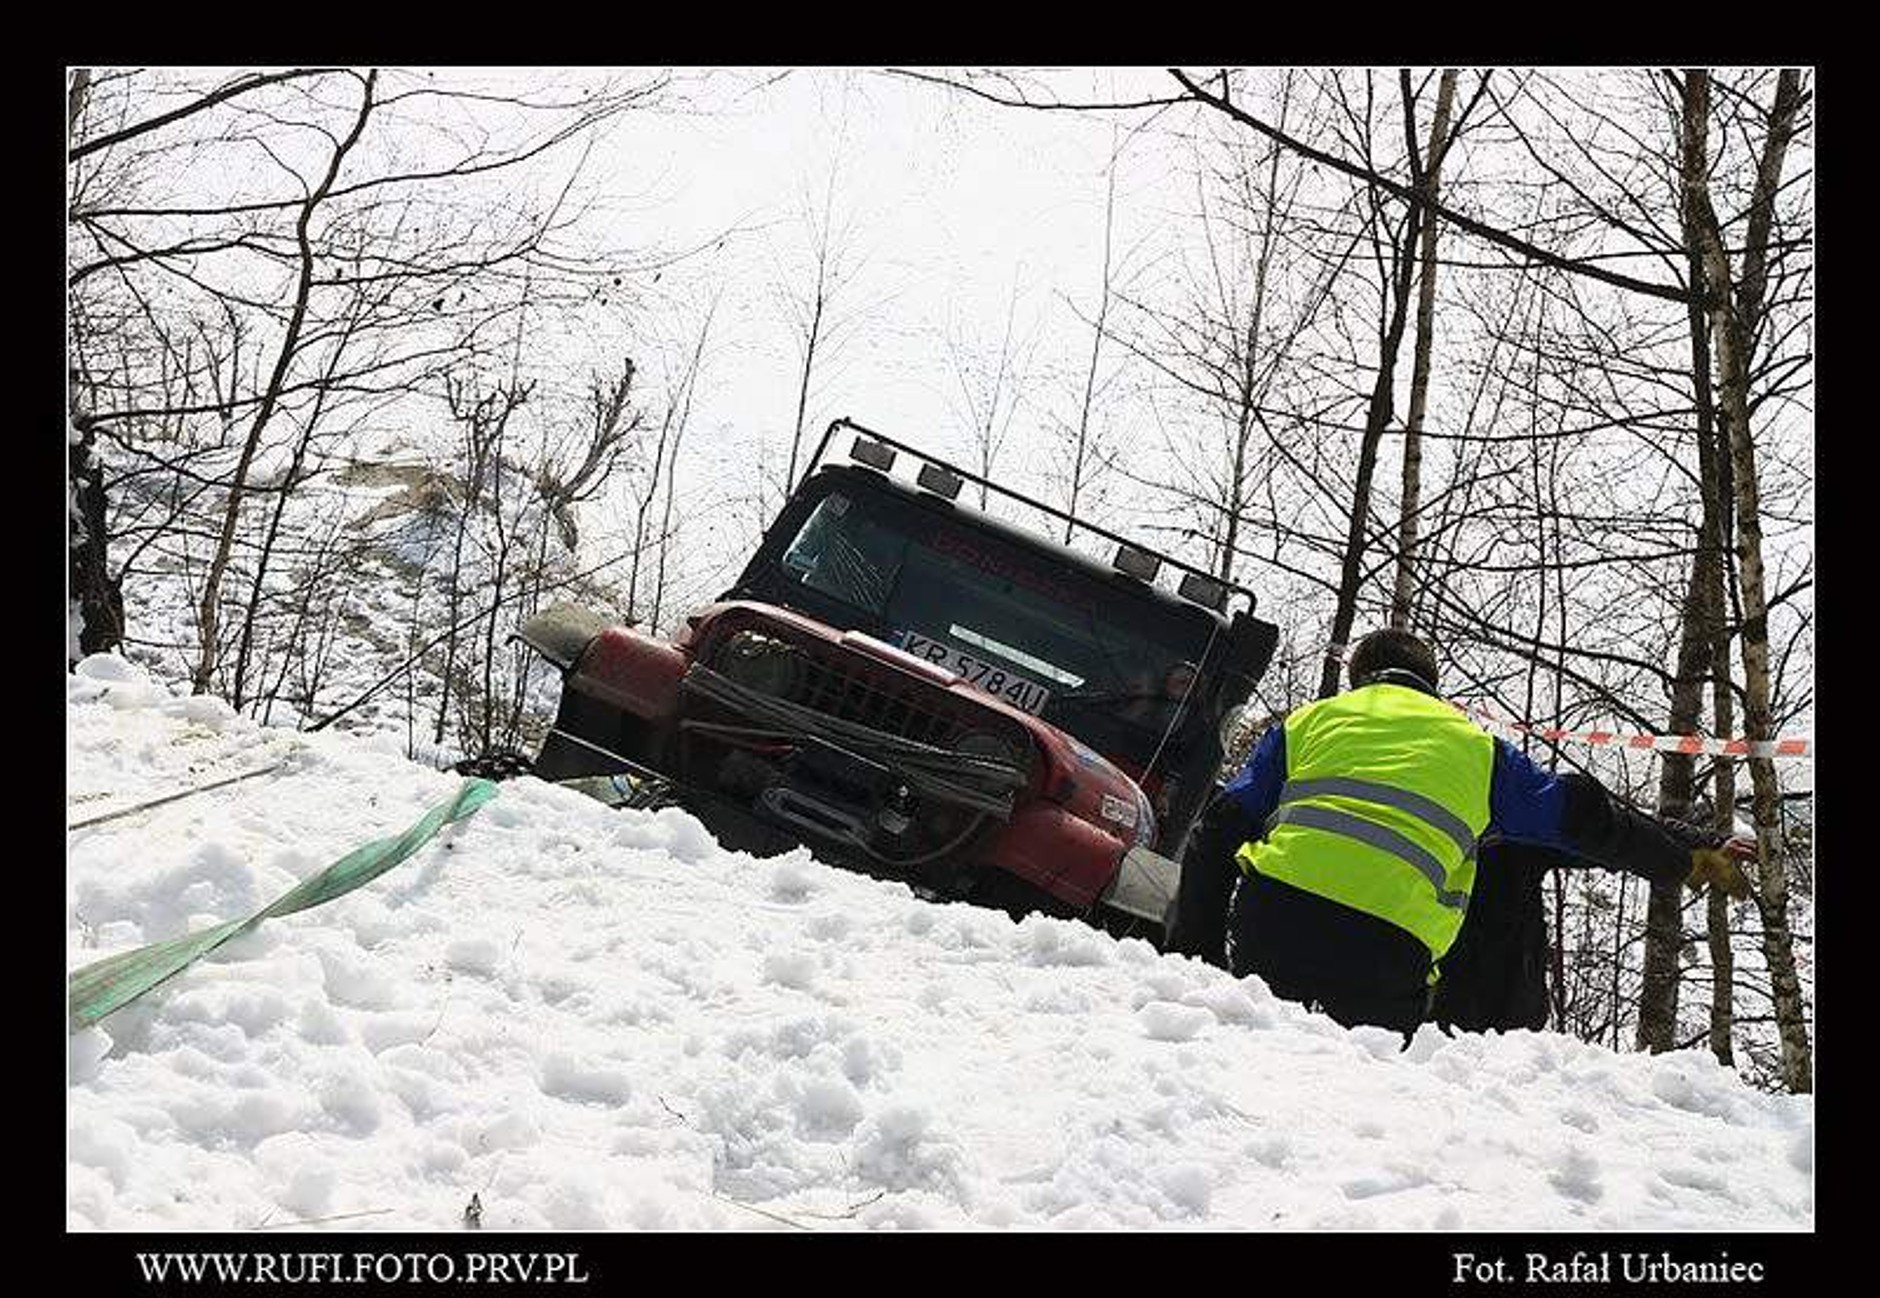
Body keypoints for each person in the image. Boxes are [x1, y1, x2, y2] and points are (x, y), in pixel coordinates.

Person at [1165, 627, 1753, 1037]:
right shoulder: (1478, 749)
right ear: (1432, 685)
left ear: (1358, 680)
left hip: (1274, 923)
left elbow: (1219, 827)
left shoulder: (1310, 722)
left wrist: (1197, 953)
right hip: (1389, 952)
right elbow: (1587, 817)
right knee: (1351, 1087)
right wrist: (1683, 859)